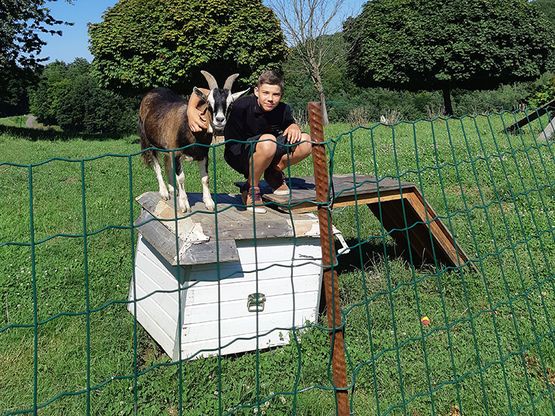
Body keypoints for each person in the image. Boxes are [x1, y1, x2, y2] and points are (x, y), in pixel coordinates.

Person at [188, 70, 312, 213]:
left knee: (305, 141)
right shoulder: (240, 105)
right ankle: (251, 189)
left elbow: (289, 123)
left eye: (276, 94)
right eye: (266, 93)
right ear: (256, 91)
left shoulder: (283, 109)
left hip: (268, 150)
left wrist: (293, 125)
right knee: (268, 141)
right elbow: (206, 91)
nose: (270, 98)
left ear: (281, 95)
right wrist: (191, 108)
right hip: (239, 153)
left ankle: (272, 172)